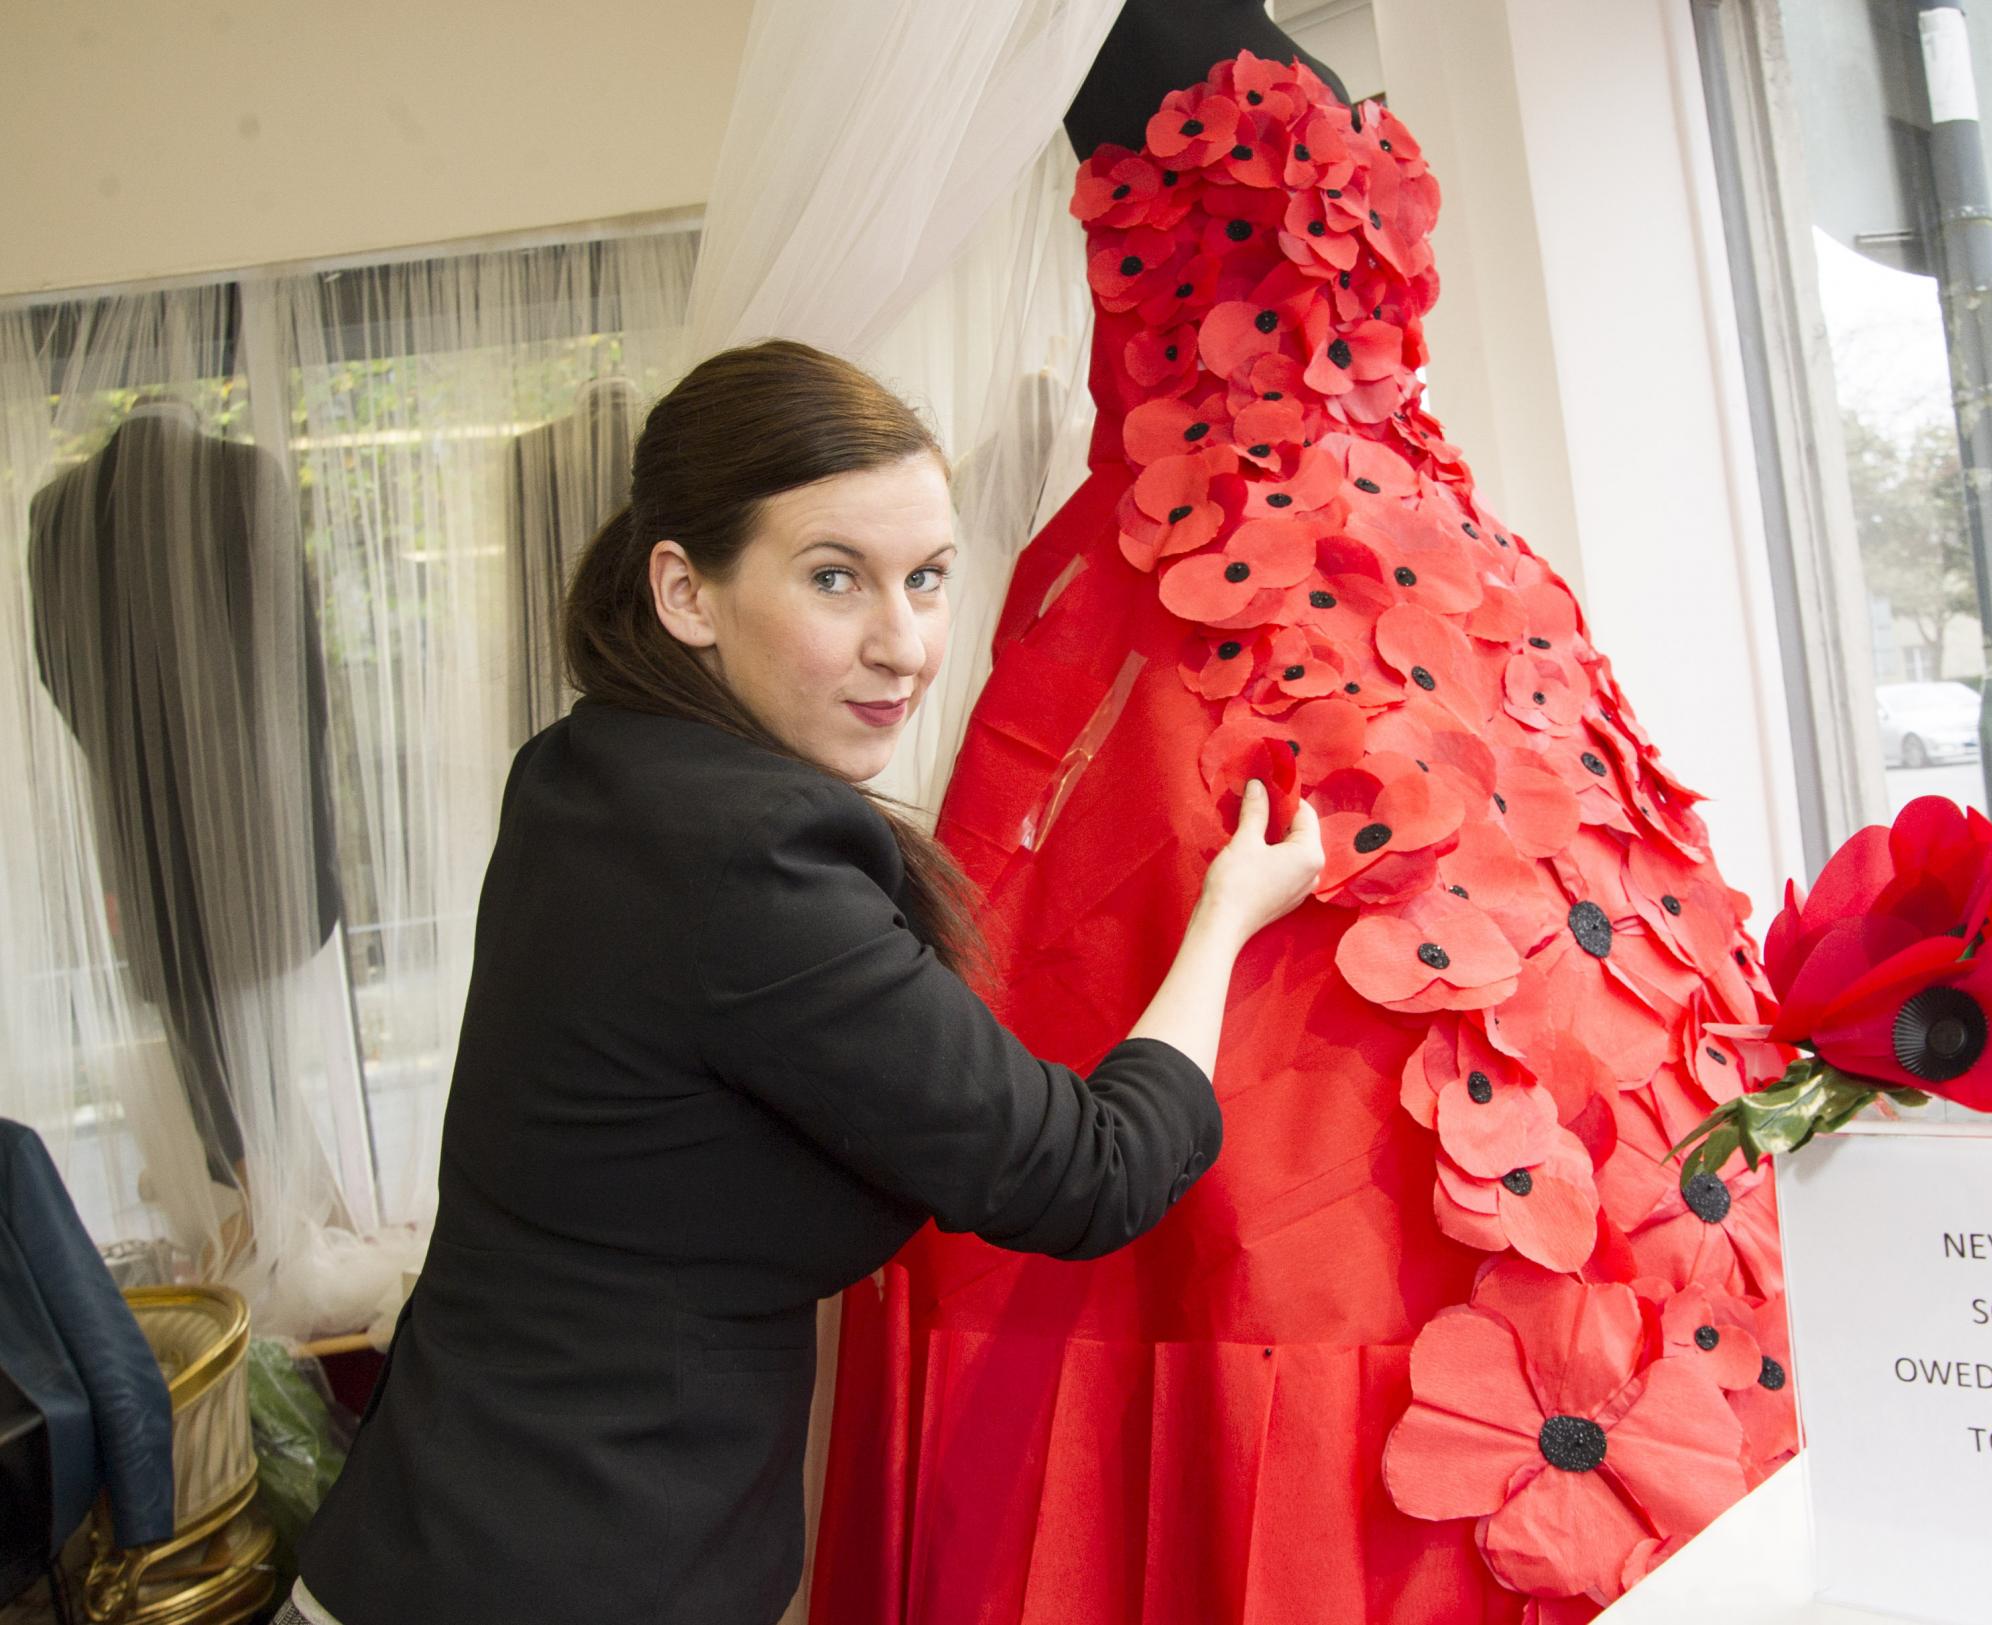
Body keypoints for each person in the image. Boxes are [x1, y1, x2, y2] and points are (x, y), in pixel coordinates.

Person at [805, 13, 1797, 1625]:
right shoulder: (1087, 31)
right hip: (1208, 602)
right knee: (1284, 1175)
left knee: (1533, 1081)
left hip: (1425, 579)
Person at [285, 338, 1324, 1625]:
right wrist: (1226, 917)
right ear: (687, 590)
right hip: (562, 1569)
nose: (907, 646)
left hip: (426, 1533)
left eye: (929, 578)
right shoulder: (746, 854)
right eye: (836, 579)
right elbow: (1090, 1171)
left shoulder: (586, 765)